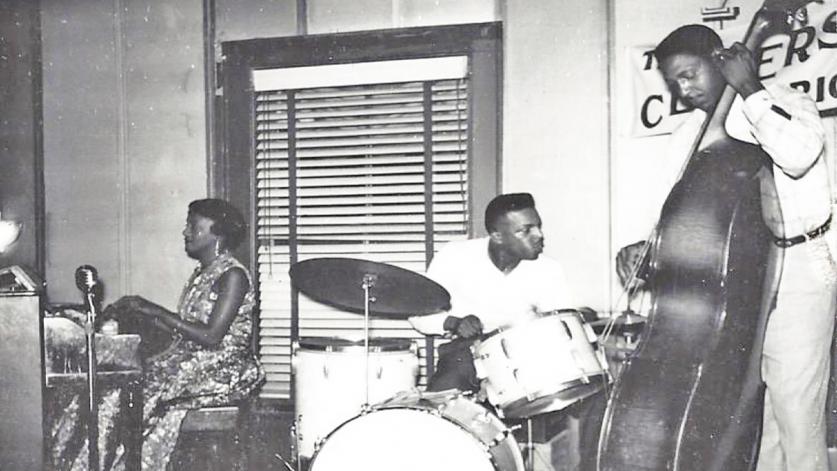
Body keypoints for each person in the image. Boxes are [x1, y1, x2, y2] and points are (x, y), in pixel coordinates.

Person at [616, 25, 836, 471]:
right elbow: (677, 210)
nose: (683, 89)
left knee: (795, 410)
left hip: (799, 268)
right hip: (737, 279)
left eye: (690, 74)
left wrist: (750, 88)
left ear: (720, 60)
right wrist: (647, 246)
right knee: (757, 415)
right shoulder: (690, 135)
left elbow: (798, 154)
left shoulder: (784, 101)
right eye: (675, 82)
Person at [51, 198, 266, 470]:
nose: (185, 232)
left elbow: (212, 337)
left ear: (217, 234)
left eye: (193, 226)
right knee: (111, 387)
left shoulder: (234, 275)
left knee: (128, 395)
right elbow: (185, 329)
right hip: (193, 361)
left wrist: (154, 311)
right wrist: (141, 312)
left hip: (222, 368)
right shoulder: (203, 273)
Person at [409, 192, 603, 471]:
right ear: (497, 236)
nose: (539, 235)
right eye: (525, 230)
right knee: (438, 417)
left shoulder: (548, 270)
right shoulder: (455, 256)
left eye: (538, 226)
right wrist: (453, 322)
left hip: (529, 356)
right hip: (464, 352)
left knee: (595, 397)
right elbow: (418, 314)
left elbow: (561, 323)